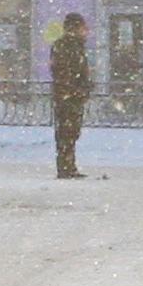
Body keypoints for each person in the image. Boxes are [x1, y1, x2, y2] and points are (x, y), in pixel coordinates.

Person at [46, 10, 92, 181]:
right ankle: (65, 167)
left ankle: (68, 165)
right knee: (67, 131)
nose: (85, 31)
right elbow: (62, 71)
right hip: (68, 96)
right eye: (82, 27)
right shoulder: (66, 46)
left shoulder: (74, 45)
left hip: (71, 95)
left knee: (71, 131)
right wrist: (75, 89)